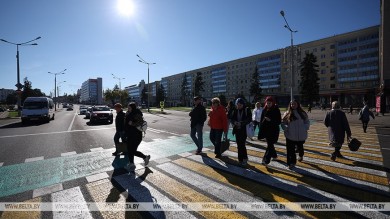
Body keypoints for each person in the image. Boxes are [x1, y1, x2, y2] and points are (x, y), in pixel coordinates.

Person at [281, 100, 310, 169]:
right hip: (290, 135)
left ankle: (301, 155)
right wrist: (286, 128)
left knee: (300, 148)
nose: (293, 105)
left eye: (294, 104)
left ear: (298, 104)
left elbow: (307, 121)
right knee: (291, 150)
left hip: (301, 135)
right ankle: (291, 163)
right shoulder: (287, 113)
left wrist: (305, 127)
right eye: (291, 104)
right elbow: (283, 122)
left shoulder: (302, 113)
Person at [124, 102, 150, 170]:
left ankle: (144, 158)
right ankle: (132, 163)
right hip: (130, 135)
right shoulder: (130, 113)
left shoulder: (136, 114)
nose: (128, 109)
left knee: (132, 150)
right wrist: (126, 116)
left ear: (133, 107)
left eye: (129, 107)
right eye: (128, 107)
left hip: (136, 136)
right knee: (130, 150)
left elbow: (140, 122)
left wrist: (132, 123)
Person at [260, 96, 281, 165]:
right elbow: (261, 120)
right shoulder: (264, 110)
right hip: (266, 130)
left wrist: (270, 120)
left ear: (273, 103)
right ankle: (274, 155)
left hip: (274, 130)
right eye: (267, 103)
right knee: (270, 144)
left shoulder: (276, 110)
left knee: (270, 145)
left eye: (270, 103)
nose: (268, 104)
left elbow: (278, 121)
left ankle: (266, 160)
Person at [231, 98, 252, 165]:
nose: (239, 106)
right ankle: (240, 159)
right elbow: (232, 118)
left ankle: (245, 158)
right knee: (238, 145)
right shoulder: (235, 110)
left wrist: (241, 123)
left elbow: (249, 119)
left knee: (242, 145)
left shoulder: (247, 110)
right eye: (237, 105)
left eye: (240, 105)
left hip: (244, 130)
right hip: (237, 130)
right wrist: (235, 122)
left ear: (243, 104)